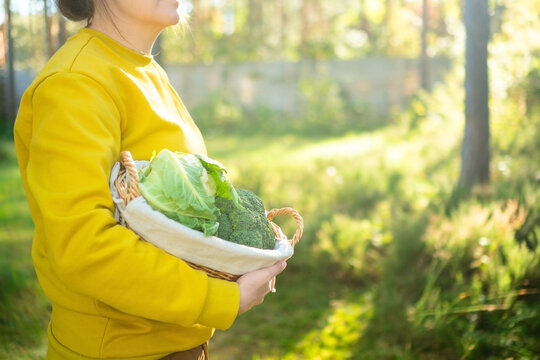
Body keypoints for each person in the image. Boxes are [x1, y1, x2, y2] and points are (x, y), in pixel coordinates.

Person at [13, 0, 287, 359]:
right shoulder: (75, 82)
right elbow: (82, 246)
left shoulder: (143, 69)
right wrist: (221, 299)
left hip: (179, 343)